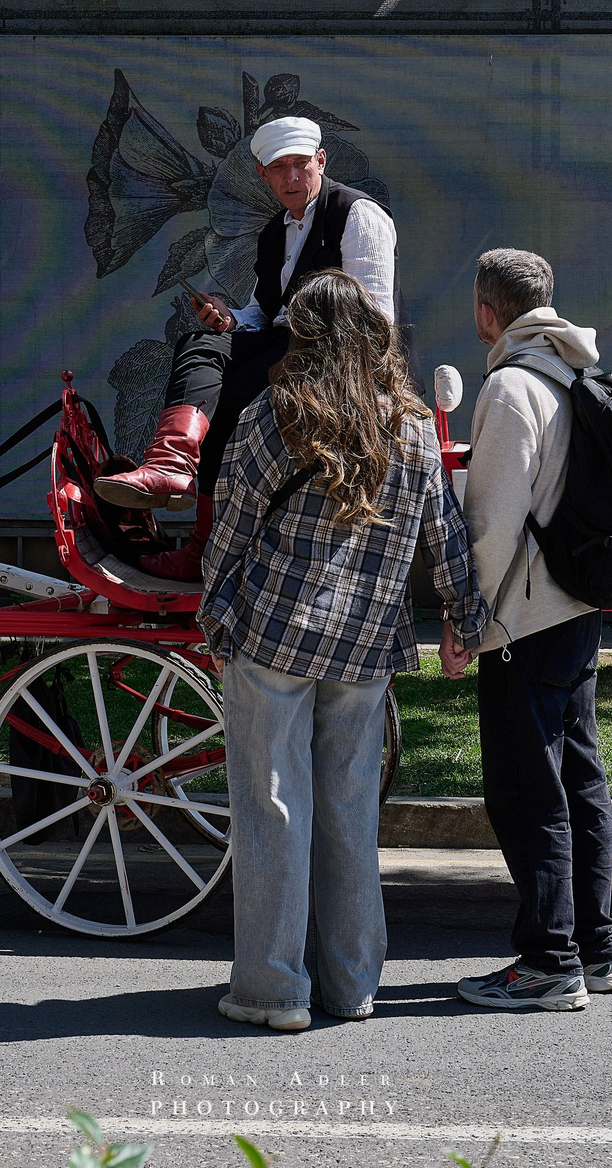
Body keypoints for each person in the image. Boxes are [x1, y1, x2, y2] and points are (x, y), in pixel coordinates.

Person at [200, 269, 485, 1033]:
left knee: (272, 812)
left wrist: (214, 610)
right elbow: (446, 537)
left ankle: (271, 989)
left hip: (273, 635)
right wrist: (465, 616)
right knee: (350, 814)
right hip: (365, 644)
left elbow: (229, 530)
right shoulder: (416, 428)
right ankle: (353, 984)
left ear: (305, 338)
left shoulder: (275, 414)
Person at [438, 247, 612, 1012]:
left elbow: (491, 525)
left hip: (525, 616)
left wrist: (463, 617)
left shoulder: (512, 386)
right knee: (580, 778)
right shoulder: (577, 369)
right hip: (578, 605)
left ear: (487, 311)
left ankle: (549, 960)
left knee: (527, 787)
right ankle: (596, 946)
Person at [94, 115, 397, 578]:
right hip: (282, 342)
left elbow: (374, 319)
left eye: (301, 165)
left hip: (333, 353)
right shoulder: (275, 229)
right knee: (201, 341)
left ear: (321, 161)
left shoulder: (357, 214)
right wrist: (230, 318)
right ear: (263, 174)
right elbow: (264, 310)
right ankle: (172, 462)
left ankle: (204, 547)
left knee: (232, 397)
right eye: (280, 168)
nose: (292, 177)